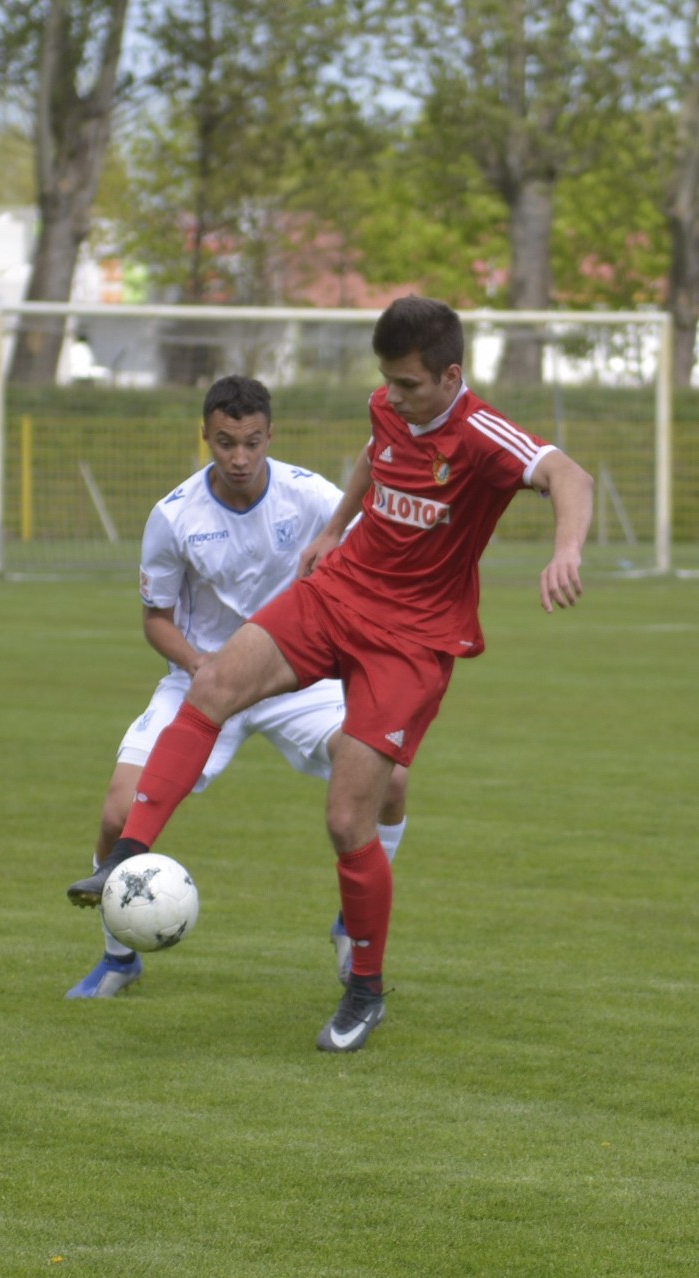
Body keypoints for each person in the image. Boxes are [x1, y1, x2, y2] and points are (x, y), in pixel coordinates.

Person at [68, 296, 594, 1053]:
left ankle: (364, 989)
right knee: (212, 685)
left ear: (452, 375)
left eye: (410, 384)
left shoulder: (482, 434)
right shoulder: (391, 406)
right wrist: (333, 528)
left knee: (349, 820)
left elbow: (568, 475)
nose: (394, 395)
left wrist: (566, 549)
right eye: (388, 382)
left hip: (410, 641)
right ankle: (126, 856)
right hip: (339, 592)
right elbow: (374, 455)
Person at [66, 373, 409, 998]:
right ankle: (119, 958)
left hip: (300, 680)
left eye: (253, 442)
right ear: (205, 437)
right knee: (119, 814)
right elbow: (155, 620)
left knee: (394, 783)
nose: (241, 457)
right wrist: (201, 666)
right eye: (226, 443)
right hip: (205, 679)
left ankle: (352, 921)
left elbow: (365, 567)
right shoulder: (173, 516)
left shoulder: (311, 498)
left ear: (271, 435)